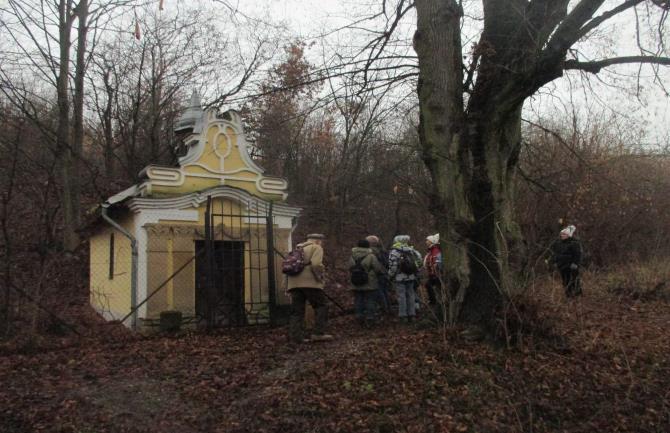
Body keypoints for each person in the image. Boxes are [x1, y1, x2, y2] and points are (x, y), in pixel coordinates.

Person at [286, 233, 333, 343]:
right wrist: (319, 278)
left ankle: (295, 337)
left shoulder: (297, 249)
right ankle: (318, 333)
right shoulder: (316, 247)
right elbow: (316, 264)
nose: (322, 243)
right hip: (310, 283)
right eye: (321, 241)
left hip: (294, 283)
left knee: (297, 311)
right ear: (318, 241)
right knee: (322, 306)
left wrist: (287, 286)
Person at [348, 239, 386, 327]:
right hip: (370, 282)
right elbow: (377, 268)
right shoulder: (371, 256)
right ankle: (370, 318)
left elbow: (350, 267)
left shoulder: (352, 256)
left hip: (356, 282)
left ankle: (359, 316)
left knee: (358, 300)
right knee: (370, 300)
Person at [388, 235, 423, 323]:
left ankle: (403, 316)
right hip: (411, 277)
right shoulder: (412, 251)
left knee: (401, 296)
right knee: (411, 295)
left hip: (399, 277)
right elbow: (419, 262)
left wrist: (390, 276)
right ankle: (412, 314)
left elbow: (393, 267)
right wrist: (415, 272)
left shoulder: (394, 252)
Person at [550, 225, 583, 298]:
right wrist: (555, 262)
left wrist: (575, 263)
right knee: (565, 281)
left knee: (574, 281)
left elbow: (577, 254)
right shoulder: (558, 243)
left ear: (568, 235)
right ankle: (568, 295)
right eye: (561, 234)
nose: (562, 235)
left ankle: (578, 295)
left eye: (564, 234)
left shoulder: (574, 243)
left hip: (571, 266)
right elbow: (556, 253)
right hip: (562, 265)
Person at [365, 235, 391, 314]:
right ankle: (388, 307)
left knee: (379, 292)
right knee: (384, 291)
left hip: (378, 274)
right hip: (385, 273)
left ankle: (384, 308)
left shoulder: (372, 251)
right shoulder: (383, 250)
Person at [423, 234, 442, 307]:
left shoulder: (435, 250)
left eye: (427, 240)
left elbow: (437, 262)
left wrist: (436, 271)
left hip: (436, 274)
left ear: (431, 242)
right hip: (432, 274)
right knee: (428, 285)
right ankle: (434, 301)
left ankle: (435, 302)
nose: (426, 242)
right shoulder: (431, 250)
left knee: (431, 285)